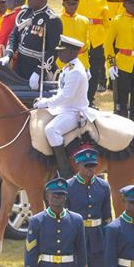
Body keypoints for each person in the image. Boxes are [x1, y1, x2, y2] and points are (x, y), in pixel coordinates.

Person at [66, 147, 112, 267]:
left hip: (96, 243)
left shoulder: (103, 187)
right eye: (86, 167)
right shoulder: (68, 187)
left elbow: (107, 219)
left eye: (93, 167)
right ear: (78, 166)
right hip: (77, 242)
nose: (90, 170)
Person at [32, 36, 92, 177]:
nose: (59, 54)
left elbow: (65, 97)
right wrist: (45, 102)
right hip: (65, 108)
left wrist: (45, 103)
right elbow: (61, 92)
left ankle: (64, 171)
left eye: (62, 51)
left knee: (51, 130)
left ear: (72, 52)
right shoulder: (68, 68)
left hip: (74, 111)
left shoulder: (76, 71)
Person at [1, 0, 62, 90]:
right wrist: (8, 54)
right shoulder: (24, 13)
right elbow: (14, 36)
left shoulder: (52, 19)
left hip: (39, 69)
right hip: (19, 66)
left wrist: (38, 72)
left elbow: (53, 50)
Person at [73, 0, 108, 104]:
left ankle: (90, 98)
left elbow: (105, 19)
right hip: (79, 39)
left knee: (94, 70)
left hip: (96, 39)